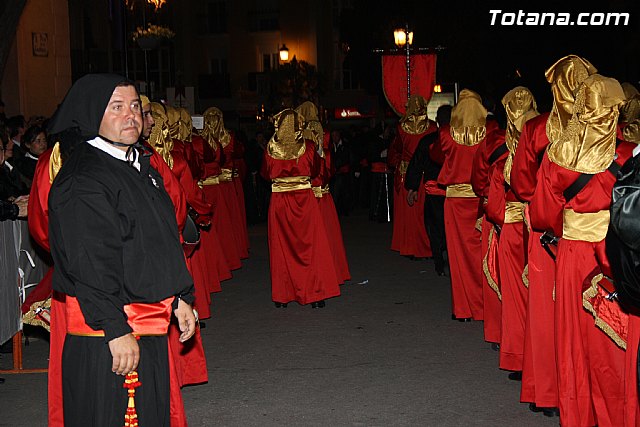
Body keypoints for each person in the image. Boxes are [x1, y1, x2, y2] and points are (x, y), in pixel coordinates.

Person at [47, 74, 196, 426]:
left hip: (148, 322)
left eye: (134, 106)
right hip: (110, 333)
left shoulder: (137, 166)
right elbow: (90, 262)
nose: (131, 115)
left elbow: (155, 242)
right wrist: (115, 329)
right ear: (92, 114)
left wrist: (178, 297)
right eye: (116, 107)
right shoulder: (84, 178)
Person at [530, 72, 634, 427]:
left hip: (574, 254)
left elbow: (541, 215)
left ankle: (578, 414)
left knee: (574, 337)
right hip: (616, 253)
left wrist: (571, 224)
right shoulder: (627, 155)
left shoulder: (558, 154)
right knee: (615, 337)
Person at [261, 108, 340, 308]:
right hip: (304, 199)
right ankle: (315, 294)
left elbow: (265, 174)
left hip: (279, 201)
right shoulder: (309, 146)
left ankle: (283, 296)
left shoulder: (270, 148)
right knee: (310, 247)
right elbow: (315, 171)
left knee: (281, 248)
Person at [438, 89, 497, 322]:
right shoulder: (490, 131)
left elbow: (436, 156)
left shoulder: (446, 133)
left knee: (458, 256)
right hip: (481, 199)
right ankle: (486, 306)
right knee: (484, 251)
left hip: (455, 202)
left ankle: (463, 309)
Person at [405, 104, 451, 276]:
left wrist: (412, 187)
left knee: (434, 228)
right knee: (451, 228)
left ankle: (439, 263)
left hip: (433, 192)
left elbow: (416, 164)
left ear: (437, 121)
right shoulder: (459, 140)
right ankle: (450, 260)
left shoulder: (428, 140)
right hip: (453, 192)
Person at [388, 95, 435, 259]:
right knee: (423, 213)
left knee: (408, 213)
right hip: (425, 174)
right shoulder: (432, 127)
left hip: (406, 174)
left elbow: (397, 149)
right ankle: (426, 246)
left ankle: (409, 246)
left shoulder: (401, 128)